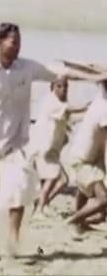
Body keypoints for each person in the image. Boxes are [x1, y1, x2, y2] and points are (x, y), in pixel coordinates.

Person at [0, 22, 92, 258]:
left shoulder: (26, 68)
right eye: (13, 42)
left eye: (19, 41)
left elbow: (62, 74)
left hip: (13, 143)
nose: (18, 46)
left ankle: (13, 240)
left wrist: (96, 75)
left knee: (20, 186)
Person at [29, 76, 89, 217]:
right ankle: (39, 210)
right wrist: (88, 106)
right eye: (60, 86)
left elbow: (71, 118)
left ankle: (42, 202)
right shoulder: (51, 102)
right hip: (43, 149)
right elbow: (70, 110)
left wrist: (89, 114)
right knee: (52, 178)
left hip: (52, 151)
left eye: (66, 87)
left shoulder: (60, 105)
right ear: (52, 87)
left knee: (62, 180)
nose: (64, 90)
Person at [67, 78, 107, 232]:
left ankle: (79, 223)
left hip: (87, 156)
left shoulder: (100, 98)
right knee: (103, 198)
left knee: (84, 189)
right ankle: (73, 221)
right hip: (83, 160)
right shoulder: (104, 109)